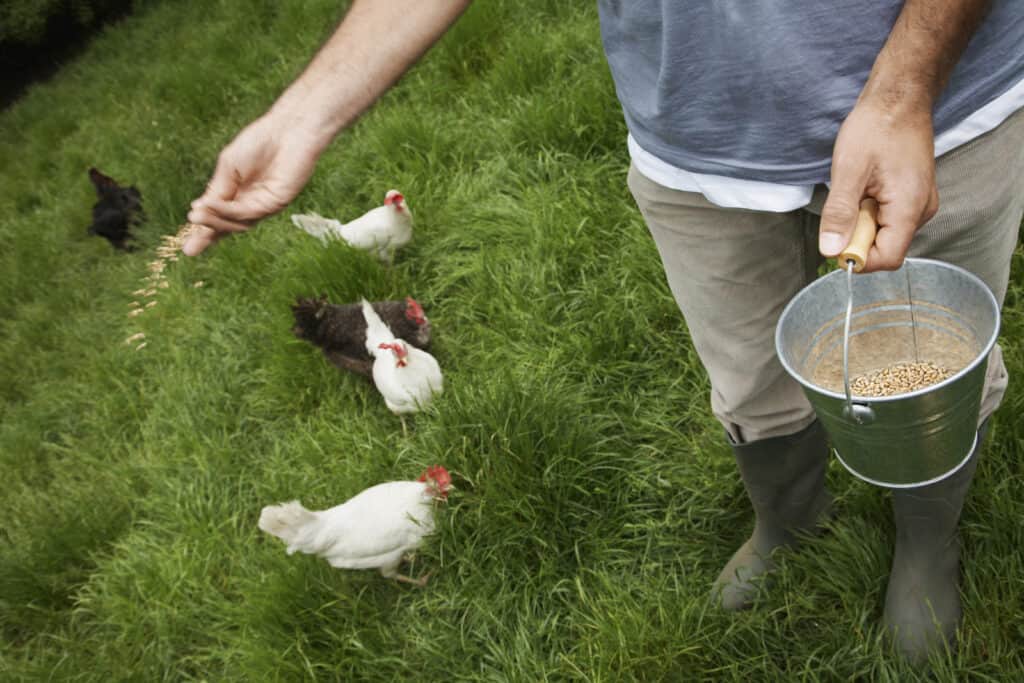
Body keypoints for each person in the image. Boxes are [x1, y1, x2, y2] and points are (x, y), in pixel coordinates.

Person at [184, 0, 1024, 662]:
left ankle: (925, 539)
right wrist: (303, 116)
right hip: (694, 140)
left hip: (944, 107)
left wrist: (905, 86)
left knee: (930, 375)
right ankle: (789, 517)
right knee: (747, 373)